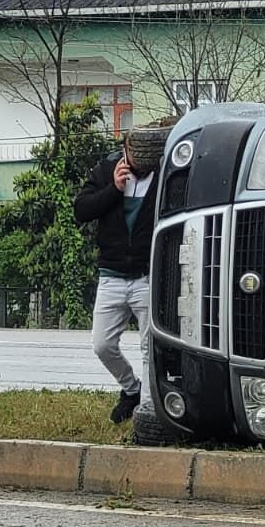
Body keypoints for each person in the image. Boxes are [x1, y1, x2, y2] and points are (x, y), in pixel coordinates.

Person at [73, 133, 158, 423]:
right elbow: (81, 210)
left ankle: (147, 410)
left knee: (150, 348)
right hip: (111, 274)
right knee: (103, 344)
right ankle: (131, 389)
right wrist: (114, 188)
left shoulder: (164, 176)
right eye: (136, 155)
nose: (142, 162)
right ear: (125, 151)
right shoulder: (106, 169)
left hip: (147, 274)